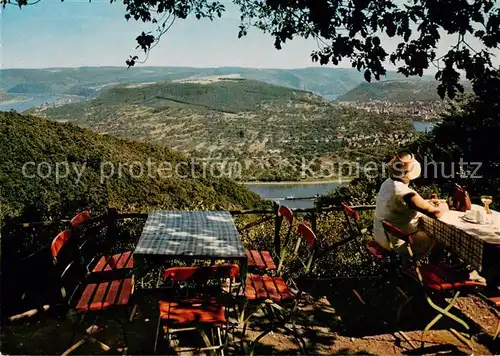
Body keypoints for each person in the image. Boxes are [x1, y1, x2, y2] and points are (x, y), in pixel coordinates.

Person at [373, 150, 449, 260]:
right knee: (440, 236)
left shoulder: (387, 183)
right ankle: (436, 269)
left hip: (382, 236)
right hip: (400, 244)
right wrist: (444, 205)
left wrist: (426, 203)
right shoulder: (406, 194)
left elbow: (401, 205)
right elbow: (436, 213)